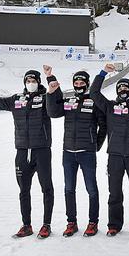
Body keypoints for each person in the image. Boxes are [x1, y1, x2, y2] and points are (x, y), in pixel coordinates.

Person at [0, 69, 54, 239]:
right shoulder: (16, 100)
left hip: (41, 150)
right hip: (22, 151)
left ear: (38, 81)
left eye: (33, 80)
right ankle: (26, 225)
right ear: (24, 82)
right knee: (23, 190)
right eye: (28, 80)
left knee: (47, 188)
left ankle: (46, 225)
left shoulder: (45, 98)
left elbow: (55, 103)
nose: (30, 83)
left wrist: (50, 84)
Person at [45, 66, 107, 237]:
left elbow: (104, 126)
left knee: (91, 189)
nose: (79, 85)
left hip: (87, 152)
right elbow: (53, 112)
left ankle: (93, 222)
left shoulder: (94, 101)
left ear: (87, 84)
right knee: (69, 189)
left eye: (81, 83)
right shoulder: (69, 101)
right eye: (76, 83)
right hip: (68, 153)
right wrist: (51, 88)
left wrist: (96, 145)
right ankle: (71, 222)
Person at [90, 64, 129, 237]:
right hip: (114, 155)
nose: (123, 89)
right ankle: (114, 224)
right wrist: (102, 73)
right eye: (120, 87)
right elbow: (94, 93)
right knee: (114, 192)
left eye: (125, 86)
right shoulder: (109, 106)